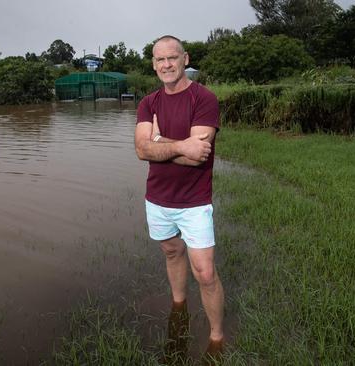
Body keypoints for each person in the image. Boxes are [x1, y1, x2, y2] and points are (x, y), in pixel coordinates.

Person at [134, 35, 225, 360]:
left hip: (195, 201)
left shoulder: (205, 99)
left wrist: (160, 141)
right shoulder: (148, 102)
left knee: (205, 271)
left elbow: (198, 155)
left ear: (185, 58)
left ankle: (216, 336)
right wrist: (176, 145)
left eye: (172, 58)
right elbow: (142, 150)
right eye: (160, 60)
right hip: (158, 199)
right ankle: (179, 305)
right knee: (172, 253)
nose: (166, 65)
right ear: (154, 64)